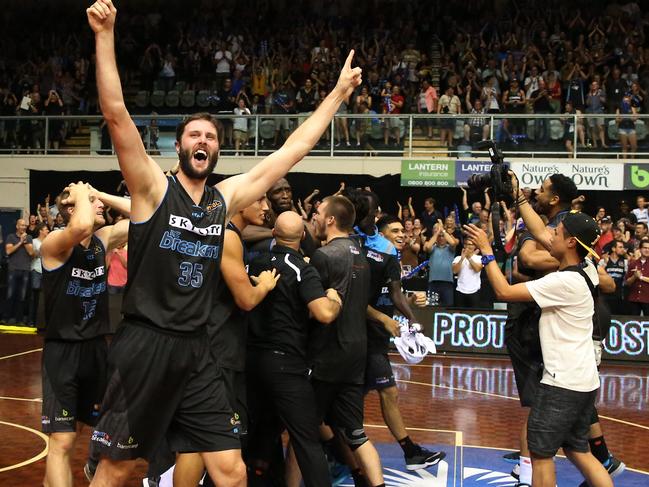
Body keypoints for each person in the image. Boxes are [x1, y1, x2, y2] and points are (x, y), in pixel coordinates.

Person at [86, 1, 362, 486]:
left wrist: (337, 95)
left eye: (210, 136)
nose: (202, 140)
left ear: (217, 149)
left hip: (200, 351)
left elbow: (292, 150)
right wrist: (105, 35)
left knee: (232, 471)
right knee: (116, 468)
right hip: (146, 344)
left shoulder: (224, 197)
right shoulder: (152, 189)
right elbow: (115, 112)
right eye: (193, 133)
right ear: (179, 146)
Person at [464, 208, 613, 487]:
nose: (549, 235)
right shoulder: (588, 269)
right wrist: (520, 200)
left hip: (561, 384)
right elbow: (544, 236)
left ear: (570, 242)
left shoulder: (563, 282)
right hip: (585, 380)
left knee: (541, 454)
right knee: (577, 449)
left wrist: (486, 251)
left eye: (557, 232)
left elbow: (504, 292)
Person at [174, 196, 280, 487]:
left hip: (213, 346)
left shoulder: (221, 233)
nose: (265, 208)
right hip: (217, 349)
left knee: (196, 441)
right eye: (259, 200)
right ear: (241, 202)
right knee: (202, 442)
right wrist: (265, 286)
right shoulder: (228, 235)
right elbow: (245, 300)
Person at [40, 182, 129, 487]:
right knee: (62, 442)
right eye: (94, 202)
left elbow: (148, 215)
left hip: (94, 349)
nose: (102, 206)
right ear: (73, 208)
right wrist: (79, 194)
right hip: (62, 352)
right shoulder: (55, 243)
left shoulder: (103, 240)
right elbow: (78, 226)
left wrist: (97, 195)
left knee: (81, 434)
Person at [246, 211, 342, 487]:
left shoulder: (254, 262)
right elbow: (323, 313)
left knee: (250, 433)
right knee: (306, 440)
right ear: (302, 236)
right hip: (286, 365)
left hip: (250, 361)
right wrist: (334, 299)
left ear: (273, 233)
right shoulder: (302, 268)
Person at [309, 195, 385, 487]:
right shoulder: (361, 255)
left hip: (327, 355)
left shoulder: (325, 256)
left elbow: (315, 309)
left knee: (305, 432)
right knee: (356, 433)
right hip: (356, 354)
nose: (314, 216)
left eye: (317, 212)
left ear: (330, 220)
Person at [368, 214, 446, 469]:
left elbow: (392, 295)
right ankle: (409, 451)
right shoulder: (371, 260)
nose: (402, 234)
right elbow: (357, 300)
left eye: (403, 230)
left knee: (355, 397)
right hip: (363, 338)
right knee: (386, 392)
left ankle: (339, 449)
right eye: (395, 230)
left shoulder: (392, 260)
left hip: (376, 339)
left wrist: (408, 306)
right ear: (380, 235)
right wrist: (405, 318)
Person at [3, 218, 34, 324]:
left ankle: (19, 319)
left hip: (25, 270)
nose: (24, 227)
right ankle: (5, 318)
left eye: (25, 225)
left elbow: (31, 253)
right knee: (10, 294)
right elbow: (8, 251)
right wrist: (20, 242)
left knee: (22, 296)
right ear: (17, 226)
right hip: (13, 269)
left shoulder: (29, 237)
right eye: (22, 225)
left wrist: (24, 241)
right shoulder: (10, 237)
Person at [423, 220, 458, 306]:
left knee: (448, 306)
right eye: (439, 236)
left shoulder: (450, 248)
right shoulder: (433, 248)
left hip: (447, 282)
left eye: (443, 236)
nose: (441, 238)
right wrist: (438, 232)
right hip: (433, 282)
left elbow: (453, 243)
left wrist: (443, 230)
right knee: (431, 306)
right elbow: (427, 247)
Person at [28, 222, 50, 327]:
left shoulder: (50, 242)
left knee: (44, 298)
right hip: (36, 271)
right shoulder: (34, 241)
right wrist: (40, 252)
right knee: (33, 297)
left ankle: (41, 322)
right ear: (40, 230)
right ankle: (31, 321)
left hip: (46, 272)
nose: (48, 231)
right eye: (46, 229)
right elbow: (32, 254)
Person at [599, 240, 628, 315]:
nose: (623, 249)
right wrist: (605, 263)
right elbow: (598, 275)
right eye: (620, 247)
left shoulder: (625, 262)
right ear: (613, 249)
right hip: (605, 295)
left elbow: (626, 277)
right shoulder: (603, 261)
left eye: (623, 247)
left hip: (619, 295)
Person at [452, 240, 483, 307]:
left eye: (470, 244)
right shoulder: (458, 258)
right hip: (460, 290)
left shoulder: (479, 258)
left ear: (474, 246)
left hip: (474, 291)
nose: (468, 246)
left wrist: (469, 258)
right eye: (466, 244)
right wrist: (462, 259)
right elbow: (454, 271)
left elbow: (477, 269)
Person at [625, 239, 649, 316]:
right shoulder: (633, 263)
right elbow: (627, 282)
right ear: (640, 249)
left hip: (647, 298)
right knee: (633, 321)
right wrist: (634, 276)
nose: (647, 250)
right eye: (645, 248)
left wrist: (641, 277)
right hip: (634, 298)